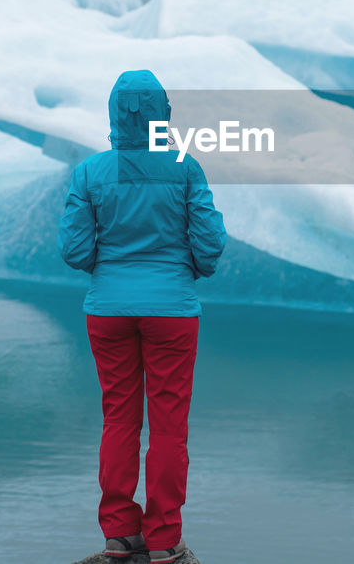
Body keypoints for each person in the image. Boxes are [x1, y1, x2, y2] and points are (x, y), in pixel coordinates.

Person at [58, 69, 226, 563]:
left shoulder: (89, 172)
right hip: (172, 312)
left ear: (112, 115)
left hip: (107, 311)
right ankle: (163, 539)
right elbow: (211, 243)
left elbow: (73, 248)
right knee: (170, 424)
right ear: (164, 115)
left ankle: (118, 532)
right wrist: (187, 270)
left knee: (119, 417)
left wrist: (106, 272)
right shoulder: (184, 168)